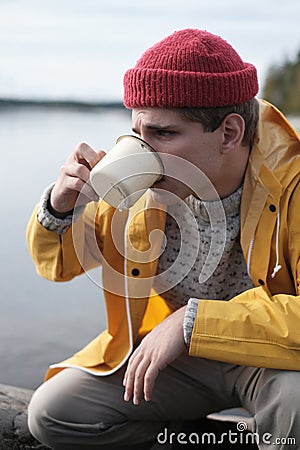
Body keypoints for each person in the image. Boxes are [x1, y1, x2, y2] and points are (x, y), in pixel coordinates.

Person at [26, 28, 300, 450]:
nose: (141, 149)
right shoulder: (139, 187)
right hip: (178, 359)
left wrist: (192, 322)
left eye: (163, 133)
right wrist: (61, 208)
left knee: (297, 403)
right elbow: (58, 266)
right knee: (54, 413)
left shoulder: (292, 185)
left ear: (228, 133)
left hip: (271, 357)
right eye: (137, 131)